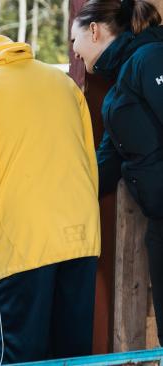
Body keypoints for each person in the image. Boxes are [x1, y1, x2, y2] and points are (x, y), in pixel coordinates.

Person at [0, 19, 101, 364]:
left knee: (21, 353)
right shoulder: (62, 82)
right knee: (73, 354)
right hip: (82, 236)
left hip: (23, 240)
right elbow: (89, 158)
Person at [71, 0, 163, 346]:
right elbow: (109, 156)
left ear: (93, 30)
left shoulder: (149, 58)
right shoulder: (124, 76)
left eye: (74, 41)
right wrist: (65, 194)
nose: (75, 53)